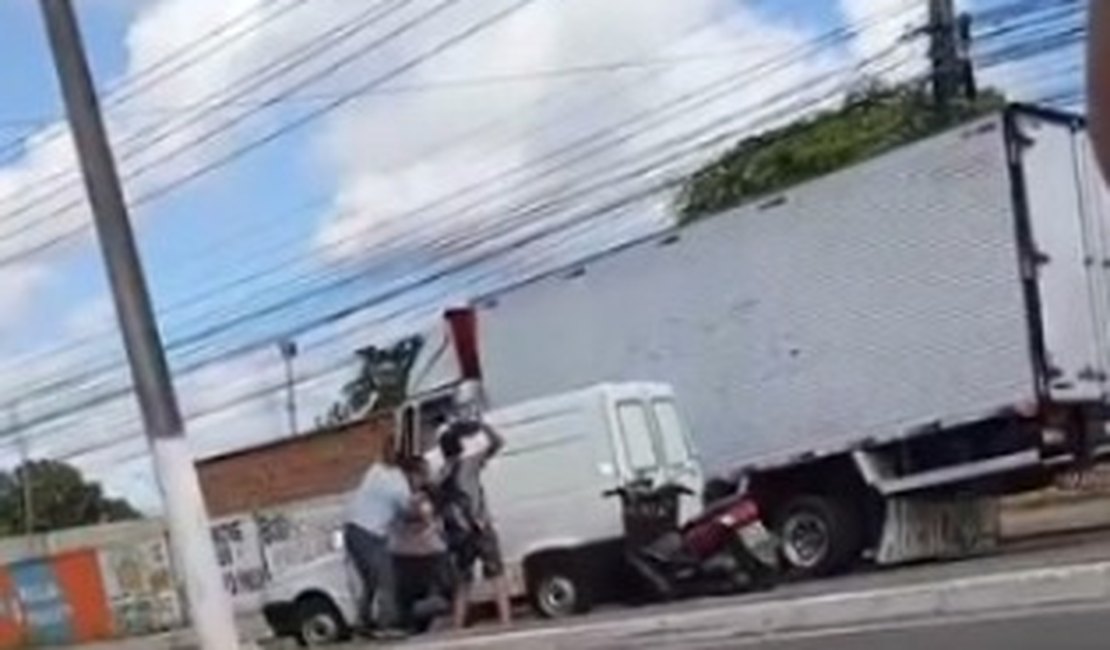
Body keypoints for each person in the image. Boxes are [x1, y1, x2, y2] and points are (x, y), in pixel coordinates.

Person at [436, 416, 512, 628]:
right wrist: (479, 425)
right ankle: (505, 623)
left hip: (458, 533)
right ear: (460, 445)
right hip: (479, 526)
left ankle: (458, 627)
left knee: (463, 583)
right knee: (497, 575)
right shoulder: (468, 465)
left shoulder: (440, 475)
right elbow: (497, 442)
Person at [342, 449, 413, 638]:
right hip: (369, 534)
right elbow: (409, 512)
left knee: (370, 581)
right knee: (386, 579)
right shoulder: (399, 484)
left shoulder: (375, 470)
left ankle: (362, 622)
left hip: (351, 529)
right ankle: (385, 626)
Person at [390, 457, 454, 633]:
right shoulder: (405, 495)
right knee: (408, 593)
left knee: (439, 586)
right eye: (422, 474)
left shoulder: (423, 495)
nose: (425, 477)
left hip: (422, 549)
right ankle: (413, 624)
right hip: (413, 550)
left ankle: (417, 620)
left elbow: (430, 512)